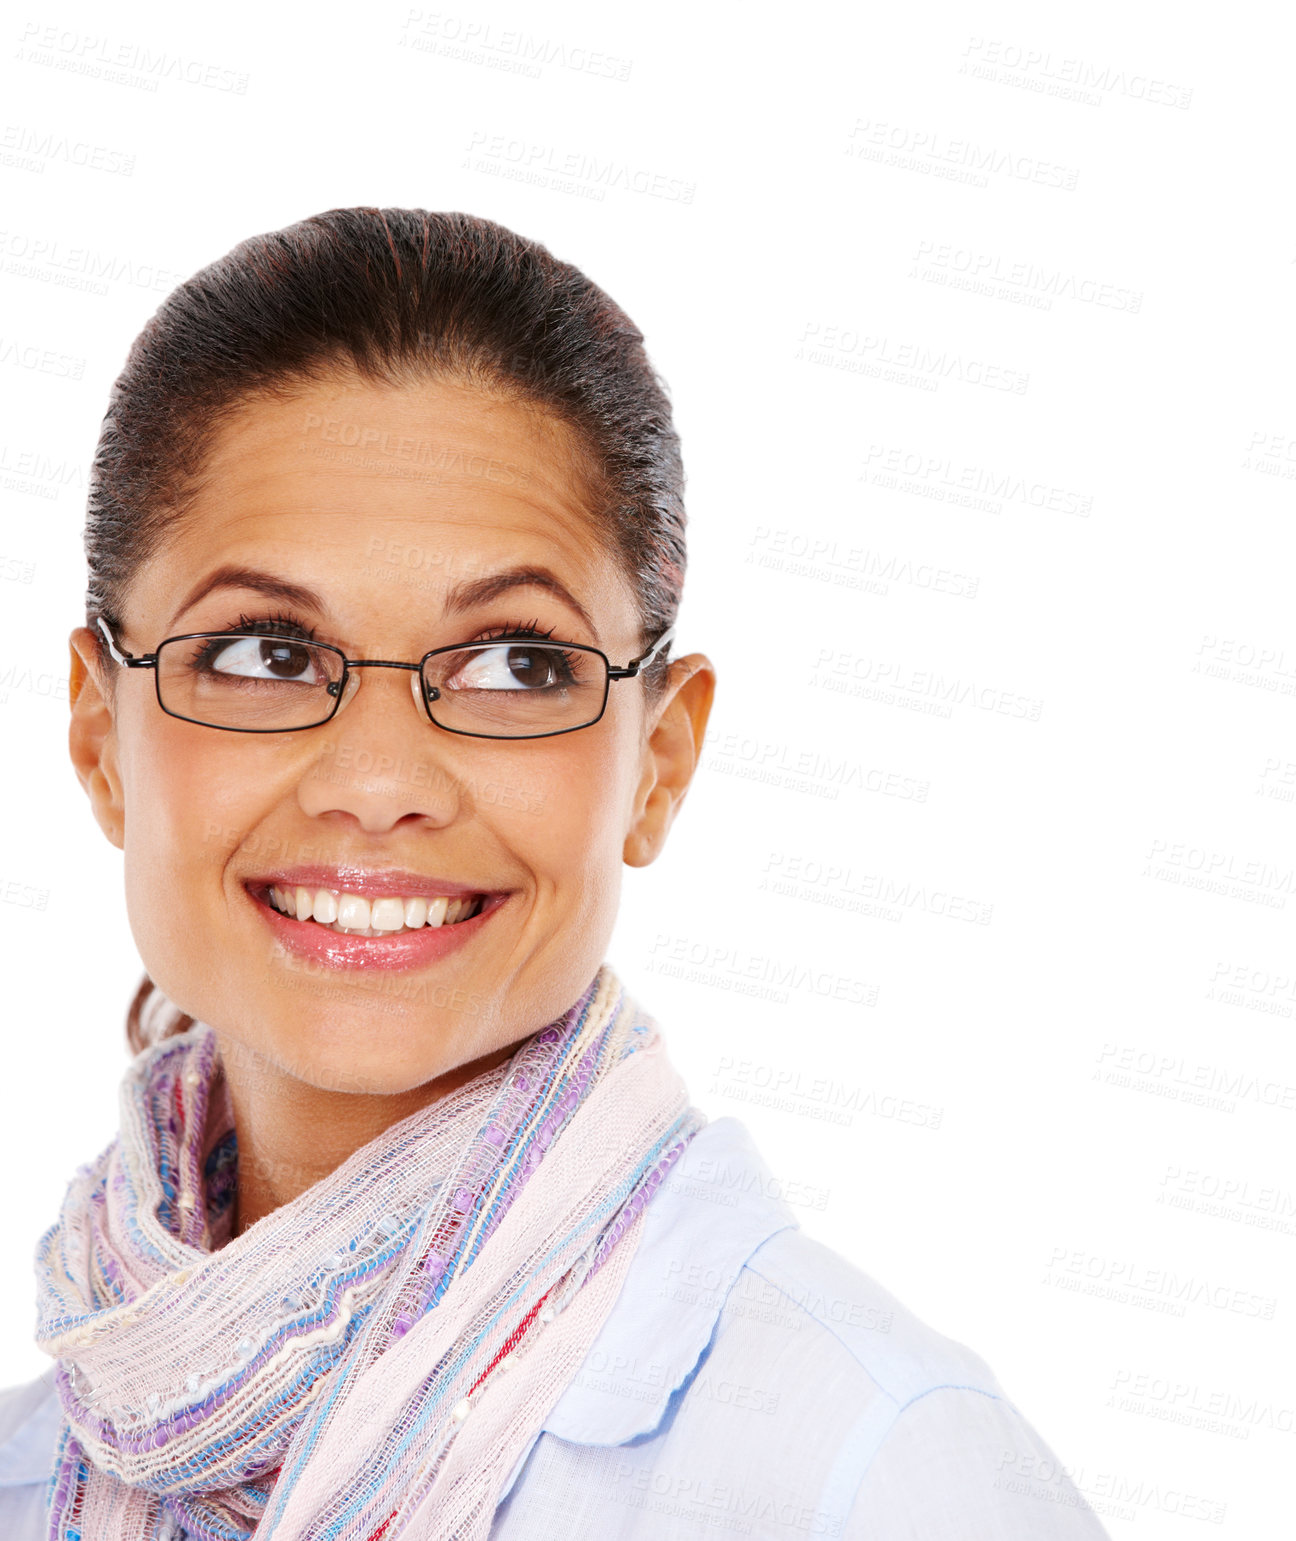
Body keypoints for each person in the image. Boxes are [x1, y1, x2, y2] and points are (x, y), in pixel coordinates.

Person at [0, 208, 1111, 1539]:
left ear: (661, 760)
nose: (377, 778)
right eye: (264, 654)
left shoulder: (869, 1471)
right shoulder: (30, 1474)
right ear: (96, 735)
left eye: (517, 663)